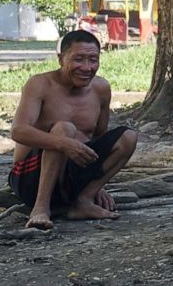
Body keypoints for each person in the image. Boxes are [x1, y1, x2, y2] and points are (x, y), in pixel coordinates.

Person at [9, 30, 138, 230]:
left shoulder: (101, 88)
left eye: (93, 60)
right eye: (78, 59)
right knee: (63, 129)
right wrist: (63, 143)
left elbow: (98, 138)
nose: (86, 67)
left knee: (128, 137)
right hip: (30, 179)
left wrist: (96, 185)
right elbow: (18, 131)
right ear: (61, 59)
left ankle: (83, 201)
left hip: (72, 177)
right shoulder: (40, 84)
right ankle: (40, 208)